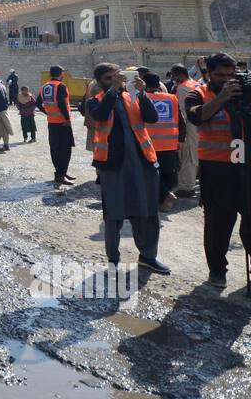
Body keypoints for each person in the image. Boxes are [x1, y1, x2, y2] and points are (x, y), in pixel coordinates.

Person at [184, 52, 251, 293]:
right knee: (218, 222)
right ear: (209, 74)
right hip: (218, 168)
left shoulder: (248, 92)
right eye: (220, 75)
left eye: (231, 75)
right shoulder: (198, 93)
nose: (226, 80)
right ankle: (217, 269)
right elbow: (196, 117)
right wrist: (222, 97)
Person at [86, 63, 170, 274]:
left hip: (142, 163)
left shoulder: (133, 97)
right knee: (114, 215)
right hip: (113, 167)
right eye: (108, 79)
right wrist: (113, 90)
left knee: (147, 212)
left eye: (117, 77)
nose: (115, 81)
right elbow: (101, 115)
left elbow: (152, 118)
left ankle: (148, 256)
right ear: (99, 82)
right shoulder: (94, 102)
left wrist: (142, 93)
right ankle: (113, 260)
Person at [142, 73, 182, 211]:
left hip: (149, 144)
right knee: (167, 173)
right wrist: (181, 139)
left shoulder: (141, 99)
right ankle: (165, 201)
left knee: (152, 173)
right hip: (170, 143)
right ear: (159, 85)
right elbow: (180, 119)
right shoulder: (172, 98)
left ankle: (163, 197)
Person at [40, 65, 75, 187]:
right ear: (61, 74)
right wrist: (67, 118)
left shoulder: (45, 86)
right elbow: (61, 103)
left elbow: (38, 103)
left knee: (55, 148)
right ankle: (61, 175)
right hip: (63, 123)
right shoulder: (61, 86)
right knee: (65, 148)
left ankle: (60, 173)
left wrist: (47, 112)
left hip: (52, 122)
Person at [170, 63, 201, 197]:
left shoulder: (182, 88)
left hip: (190, 124)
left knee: (189, 154)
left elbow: (182, 111)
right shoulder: (195, 83)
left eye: (173, 75)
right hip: (200, 122)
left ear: (179, 75)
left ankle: (186, 186)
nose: (173, 78)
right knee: (198, 153)